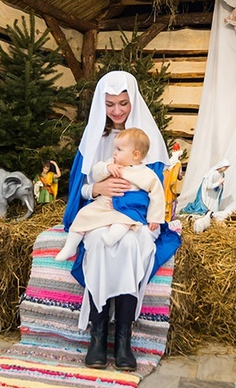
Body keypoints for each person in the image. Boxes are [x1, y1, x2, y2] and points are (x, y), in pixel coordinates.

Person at [61, 70, 180, 371]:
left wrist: (149, 217)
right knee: (100, 244)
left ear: (133, 102)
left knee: (129, 246)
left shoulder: (145, 140)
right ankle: (98, 335)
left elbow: (159, 192)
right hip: (101, 214)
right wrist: (97, 188)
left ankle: (123, 338)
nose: (116, 111)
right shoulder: (94, 139)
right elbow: (80, 191)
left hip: (136, 219)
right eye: (110, 104)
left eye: (123, 103)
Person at [56, 128, 165, 260]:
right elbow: (96, 173)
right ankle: (70, 247)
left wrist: (154, 217)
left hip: (127, 208)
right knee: (83, 215)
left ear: (135, 155)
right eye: (115, 148)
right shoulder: (111, 164)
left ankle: (112, 237)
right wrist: (106, 168)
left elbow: (157, 195)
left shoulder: (146, 174)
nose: (114, 153)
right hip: (104, 203)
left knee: (125, 221)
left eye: (119, 149)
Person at [163, 143, 183, 222]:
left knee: (165, 198)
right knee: (172, 201)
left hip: (165, 183)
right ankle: (170, 217)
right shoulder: (178, 164)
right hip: (171, 185)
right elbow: (180, 176)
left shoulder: (169, 162)